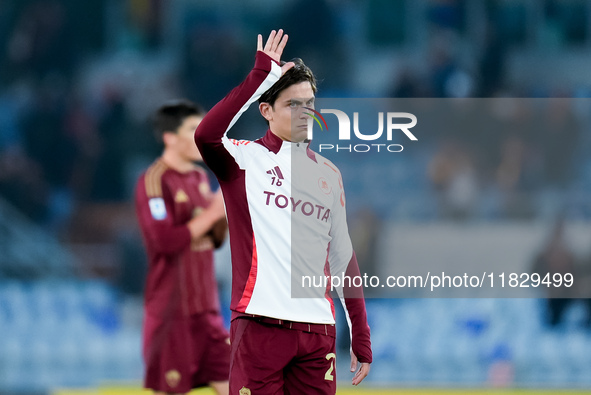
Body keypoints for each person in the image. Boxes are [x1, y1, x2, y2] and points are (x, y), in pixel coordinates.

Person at [195, 30, 372, 394]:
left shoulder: (329, 174)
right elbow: (206, 135)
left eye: (309, 103)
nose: (306, 112)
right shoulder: (244, 160)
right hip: (260, 325)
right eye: (293, 104)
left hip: (318, 333)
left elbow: (342, 258)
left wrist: (360, 334)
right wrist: (259, 77)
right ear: (266, 110)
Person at [135, 100, 230, 395]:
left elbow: (213, 241)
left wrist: (224, 214)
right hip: (172, 313)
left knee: (238, 386)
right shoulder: (154, 181)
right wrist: (213, 214)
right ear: (170, 138)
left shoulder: (200, 178)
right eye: (193, 130)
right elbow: (164, 241)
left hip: (208, 311)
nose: (201, 136)